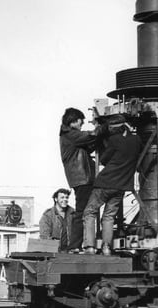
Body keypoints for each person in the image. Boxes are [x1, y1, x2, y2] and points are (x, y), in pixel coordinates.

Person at [83, 114, 142, 255]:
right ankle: (106, 248)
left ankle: (90, 247)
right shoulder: (137, 140)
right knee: (109, 216)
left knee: (89, 212)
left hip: (105, 183)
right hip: (122, 186)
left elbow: (103, 159)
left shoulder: (114, 140)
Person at [59, 107, 106, 252]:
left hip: (81, 179)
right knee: (82, 212)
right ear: (73, 121)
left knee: (84, 211)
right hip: (82, 178)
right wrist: (103, 126)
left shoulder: (69, 136)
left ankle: (78, 244)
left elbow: (89, 145)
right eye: (80, 122)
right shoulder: (71, 135)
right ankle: (74, 245)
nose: (81, 126)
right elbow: (91, 135)